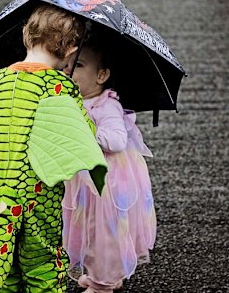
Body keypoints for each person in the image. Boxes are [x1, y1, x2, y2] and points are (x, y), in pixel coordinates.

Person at [0, 4, 108, 293]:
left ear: (27, 37)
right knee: (43, 261)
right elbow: (83, 135)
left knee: (3, 256)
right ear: (69, 51)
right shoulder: (60, 87)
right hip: (39, 191)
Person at [62, 31, 157, 293]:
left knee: (104, 233)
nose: (69, 71)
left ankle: (103, 284)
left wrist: (87, 127)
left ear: (101, 76)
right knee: (86, 230)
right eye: (66, 65)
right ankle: (98, 275)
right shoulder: (73, 102)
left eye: (78, 66)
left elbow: (116, 141)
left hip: (107, 185)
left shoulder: (106, 105)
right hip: (83, 181)